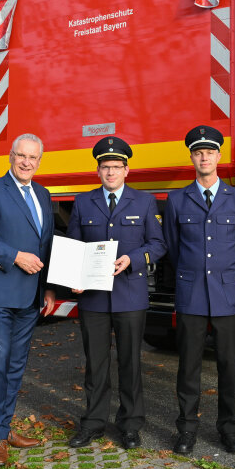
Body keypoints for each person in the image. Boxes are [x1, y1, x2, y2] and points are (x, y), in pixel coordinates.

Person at [66, 136, 166, 450]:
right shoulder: (83, 202)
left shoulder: (144, 202)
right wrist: (73, 276)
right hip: (94, 297)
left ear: (127, 170)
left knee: (130, 363)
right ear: (98, 171)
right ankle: (93, 423)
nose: (111, 172)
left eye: (116, 167)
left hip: (129, 295)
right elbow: (75, 247)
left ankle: (130, 425)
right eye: (105, 167)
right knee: (95, 364)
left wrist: (133, 259)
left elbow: (158, 244)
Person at [0, 133, 55, 467]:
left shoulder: (44, 195)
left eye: (33, 157)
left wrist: (47, 288)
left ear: (39, 160)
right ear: (10, 157)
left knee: (16, 366)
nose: (26, 162)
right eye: (21, 156)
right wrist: (14, 255)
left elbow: (45, 245)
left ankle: (4, 425)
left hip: (29, 296)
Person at [163, 125, 235, 455]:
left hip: (226, 295)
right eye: (198, 153)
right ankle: (186, 430)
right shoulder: (176, 199)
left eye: (210, 152)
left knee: (230, 367)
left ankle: (229, 429)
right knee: (188, 367)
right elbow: (173, 247)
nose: (204, 157)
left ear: (219, 156)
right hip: (191, 295)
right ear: (192, 157)